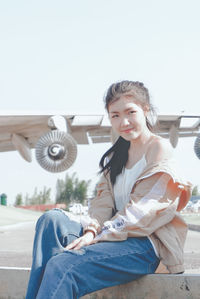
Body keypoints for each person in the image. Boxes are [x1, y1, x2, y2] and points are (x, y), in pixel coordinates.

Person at [26, 80, 192, 299]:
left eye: (130, 112)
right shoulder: (116, 156)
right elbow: (102, 204)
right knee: (51, 221)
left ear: (146, 110)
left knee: (62, 265)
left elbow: (143, 212)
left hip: (145, 246)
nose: (123, 122)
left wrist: (98, 235)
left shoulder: (158, 148)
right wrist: (91, 230)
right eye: (115, 115)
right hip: (114, 240)